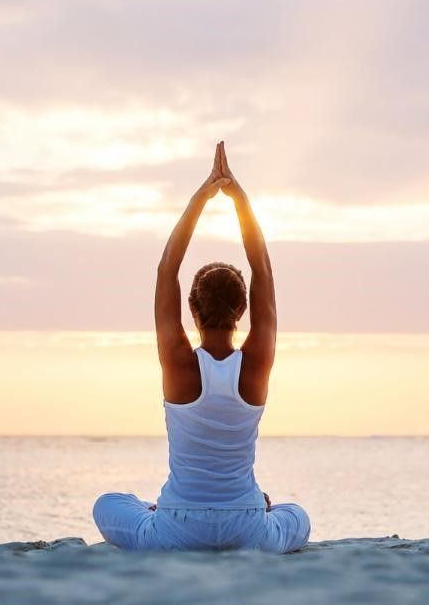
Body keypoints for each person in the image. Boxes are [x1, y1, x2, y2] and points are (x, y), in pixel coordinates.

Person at [92, 141, 310, 553]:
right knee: (298, 516)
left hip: (177, 527)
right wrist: (238, 199)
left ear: (191, 308)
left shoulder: (177, 363)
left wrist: (202, 197)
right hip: (247, 526)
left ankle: (156, 510)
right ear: (243, 310)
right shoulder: (256, 364)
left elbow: (166, 268)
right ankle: (257, 507)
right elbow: (262, 266)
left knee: (107, 505)